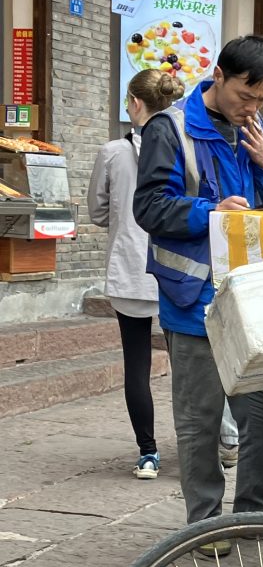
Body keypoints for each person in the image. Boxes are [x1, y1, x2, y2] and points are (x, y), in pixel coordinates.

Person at [133, 35, 263, 554]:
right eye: (247, 95)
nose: (253, 108)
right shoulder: (170, 129)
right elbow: (150, 208)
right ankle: (205, 524)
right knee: (200, 420)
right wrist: (211, 213)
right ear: (219, 75)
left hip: (252, 294)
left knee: (260, 412)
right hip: (192, 295)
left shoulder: (254, 126)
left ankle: (253, 512)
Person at [87, 69, 185, 480]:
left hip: (131, 270)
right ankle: (219, 443)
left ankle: (148, 453)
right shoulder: (185, 147)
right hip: (181, 273)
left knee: (137, 364)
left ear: (135, 103)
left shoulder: (113, 152)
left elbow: (96, 211)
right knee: (193, 366)